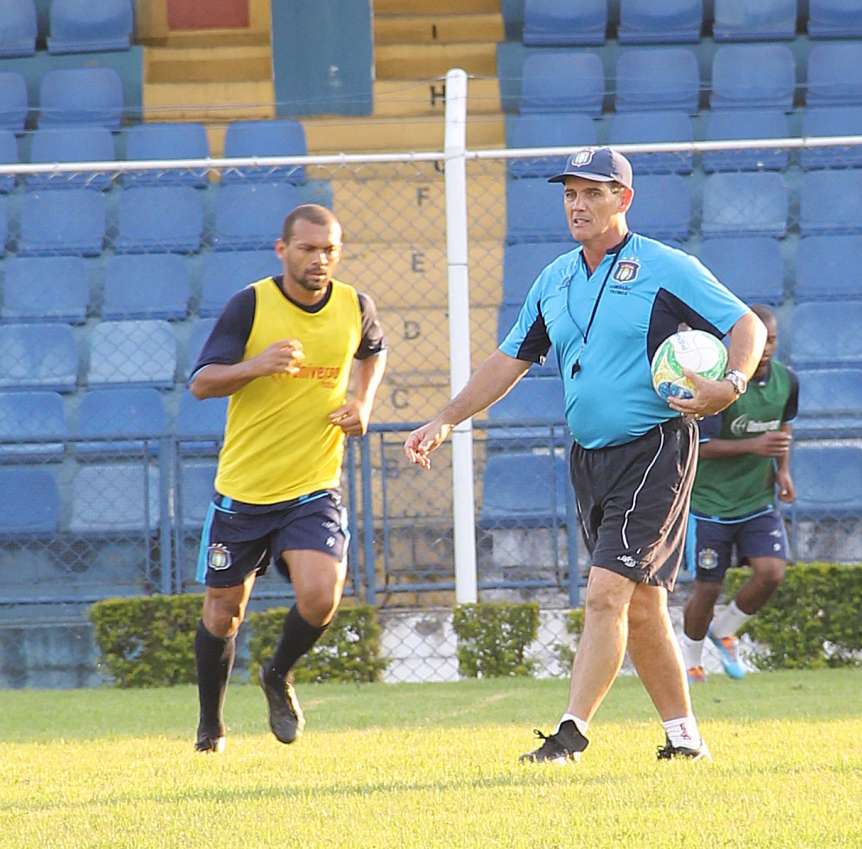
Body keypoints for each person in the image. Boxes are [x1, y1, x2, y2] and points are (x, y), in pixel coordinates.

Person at [404, 147, 765, 763]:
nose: (578, 204)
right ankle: (685, 740)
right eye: (570, 193)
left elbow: (746, 326)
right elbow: (508, 360)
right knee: (643, 602)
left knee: (604, 594)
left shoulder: (665, 266)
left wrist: (729, 385)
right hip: (589, 459)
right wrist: (445, 418)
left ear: (623, 199)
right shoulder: (555, 278)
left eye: (593, 192)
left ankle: (570, 734)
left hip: (655, 449)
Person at [189, 204, 387, 753]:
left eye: (330, 250)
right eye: (308, 249)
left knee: (321, 596)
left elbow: (373, 351)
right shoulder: (250, 305)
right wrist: (255, 365)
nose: (319, 259)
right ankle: (211, 727)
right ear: (283, 251)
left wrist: (362, 401)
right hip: (244, 493)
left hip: (313, 487)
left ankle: (277, 673)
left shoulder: (355, 306)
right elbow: (202, 383)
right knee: (223, 613)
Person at [681, 304, 798, 683]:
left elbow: (782, 429)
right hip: (710, 504)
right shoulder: (720, 386)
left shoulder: (787, 382)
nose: (766, 349)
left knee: (771, 573)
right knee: (708, 586)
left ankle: (726, 628)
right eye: (759, 340)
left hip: (756, 501)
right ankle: (692, 661)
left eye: (773, 341)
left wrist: (783, 472)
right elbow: (699, 445)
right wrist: (753, 446)